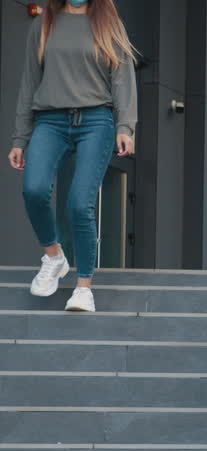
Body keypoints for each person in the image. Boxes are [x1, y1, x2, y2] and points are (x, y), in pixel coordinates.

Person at [8, 0, 137, 313]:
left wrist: (125, 126)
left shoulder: (108, 23)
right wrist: (20, 137)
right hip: (50, 120)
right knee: (34, 189)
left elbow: (123, 78)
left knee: (80, 203)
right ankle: (54, 256)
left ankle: (83, 288)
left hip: (96, 120)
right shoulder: (43, 24)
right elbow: (29, 83)